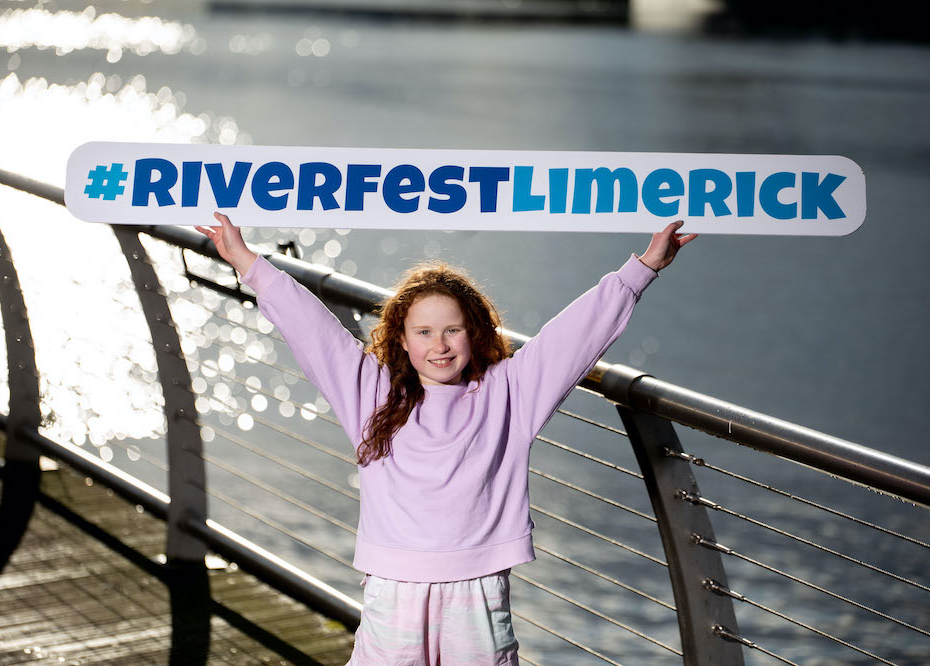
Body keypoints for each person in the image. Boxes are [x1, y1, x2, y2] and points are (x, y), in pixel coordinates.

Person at [195, 213, 695, 665]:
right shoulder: (369, 392)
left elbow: (573, 338)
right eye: (425, 332)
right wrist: (245, 260)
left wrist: (644, 267)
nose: (439, 345)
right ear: (402, 338)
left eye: (452, 330)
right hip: (394, 588)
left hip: (475, 590)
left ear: (474, 334)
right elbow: (310, 328)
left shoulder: (509, 394)